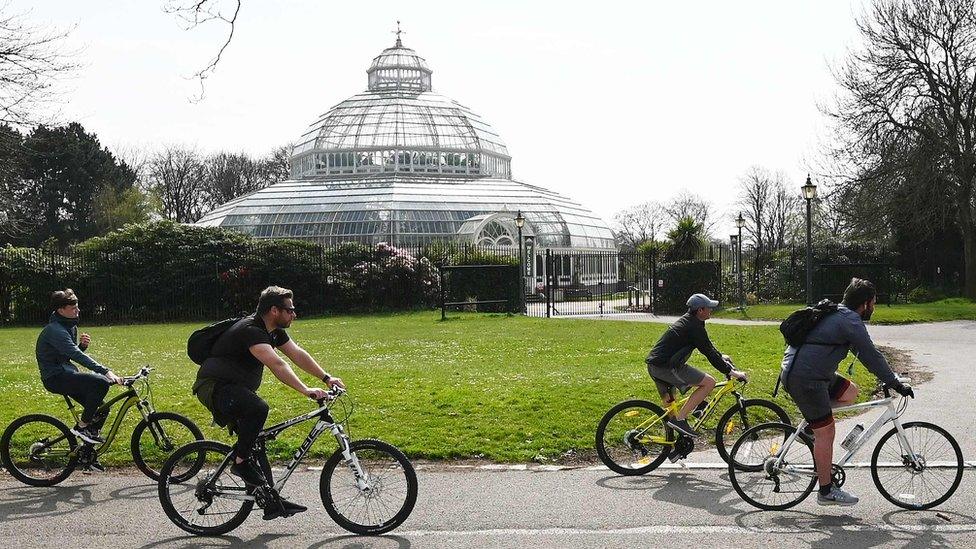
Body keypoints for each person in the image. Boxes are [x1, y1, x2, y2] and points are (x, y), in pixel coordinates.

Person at [193, 285, 344, 520]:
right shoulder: (251, 331)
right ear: (274, 310)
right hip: (214, 387)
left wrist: (326, 378)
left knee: (256, 441)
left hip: (234, 389)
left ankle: (270, 501)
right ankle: (240, 463)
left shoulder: (273, 331)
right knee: (258, 408)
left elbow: (296, 353)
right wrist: (306, 390)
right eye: (290, 310)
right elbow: (277, 365)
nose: (294, 314)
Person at [780, 278, 913, 506]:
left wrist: (888, 377)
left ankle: (814, 423)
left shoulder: (839, 315)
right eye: (874, 302)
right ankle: (826, 491)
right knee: (827, 432)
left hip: (812, 374)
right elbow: (871, 355)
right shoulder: (849, 320)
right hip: (807, 379)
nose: (874, 307)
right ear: (865, 303)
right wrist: (894, 382)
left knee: (850, 391)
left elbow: (865, 355)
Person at [645, 293, 748, 439]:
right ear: (700, 310)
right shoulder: (693, 326)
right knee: (709, 382)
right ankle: (681, 420)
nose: (711, 310)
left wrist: (721, 356)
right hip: (666, 368)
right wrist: (732, 372)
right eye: (709, 308)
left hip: (657, 366)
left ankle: (676, 447)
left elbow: (707, 346)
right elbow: (708, 353)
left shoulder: (691, 322)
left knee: (671, 412)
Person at [36, 289, 123, 451]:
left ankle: (86, 453)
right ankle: (81, 428)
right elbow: (73, 354)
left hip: (66, 373)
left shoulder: (69, 326)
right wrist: (105, 371)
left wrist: (81, 347)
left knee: (101, 410)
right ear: (61, 310)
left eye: (77, 307)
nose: (78, 310)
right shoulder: (55, 330)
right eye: (73, 308)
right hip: (55, 378)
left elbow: (66, 354)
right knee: (101, 383)